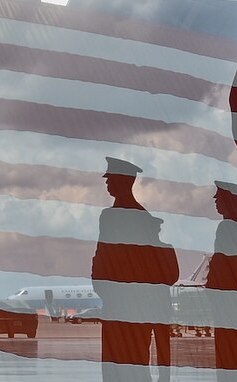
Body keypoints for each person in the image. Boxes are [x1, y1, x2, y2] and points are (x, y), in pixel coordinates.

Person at [92, 158, 178, 382]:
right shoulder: (144, 218)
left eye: (110, 179)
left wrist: (105, 290)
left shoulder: (111, 217)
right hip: (136, 303)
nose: (107, 183)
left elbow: (103, 257)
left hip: (119, 303)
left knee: (116, 366)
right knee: (136, 364)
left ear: (121, 181)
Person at [207, 181, 237, 382]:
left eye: (219, 196)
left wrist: (211, 289)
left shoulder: (228, 226)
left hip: (228, 303)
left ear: (229, 199)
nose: (215, 200)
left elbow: (221, 266)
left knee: (228, 358)